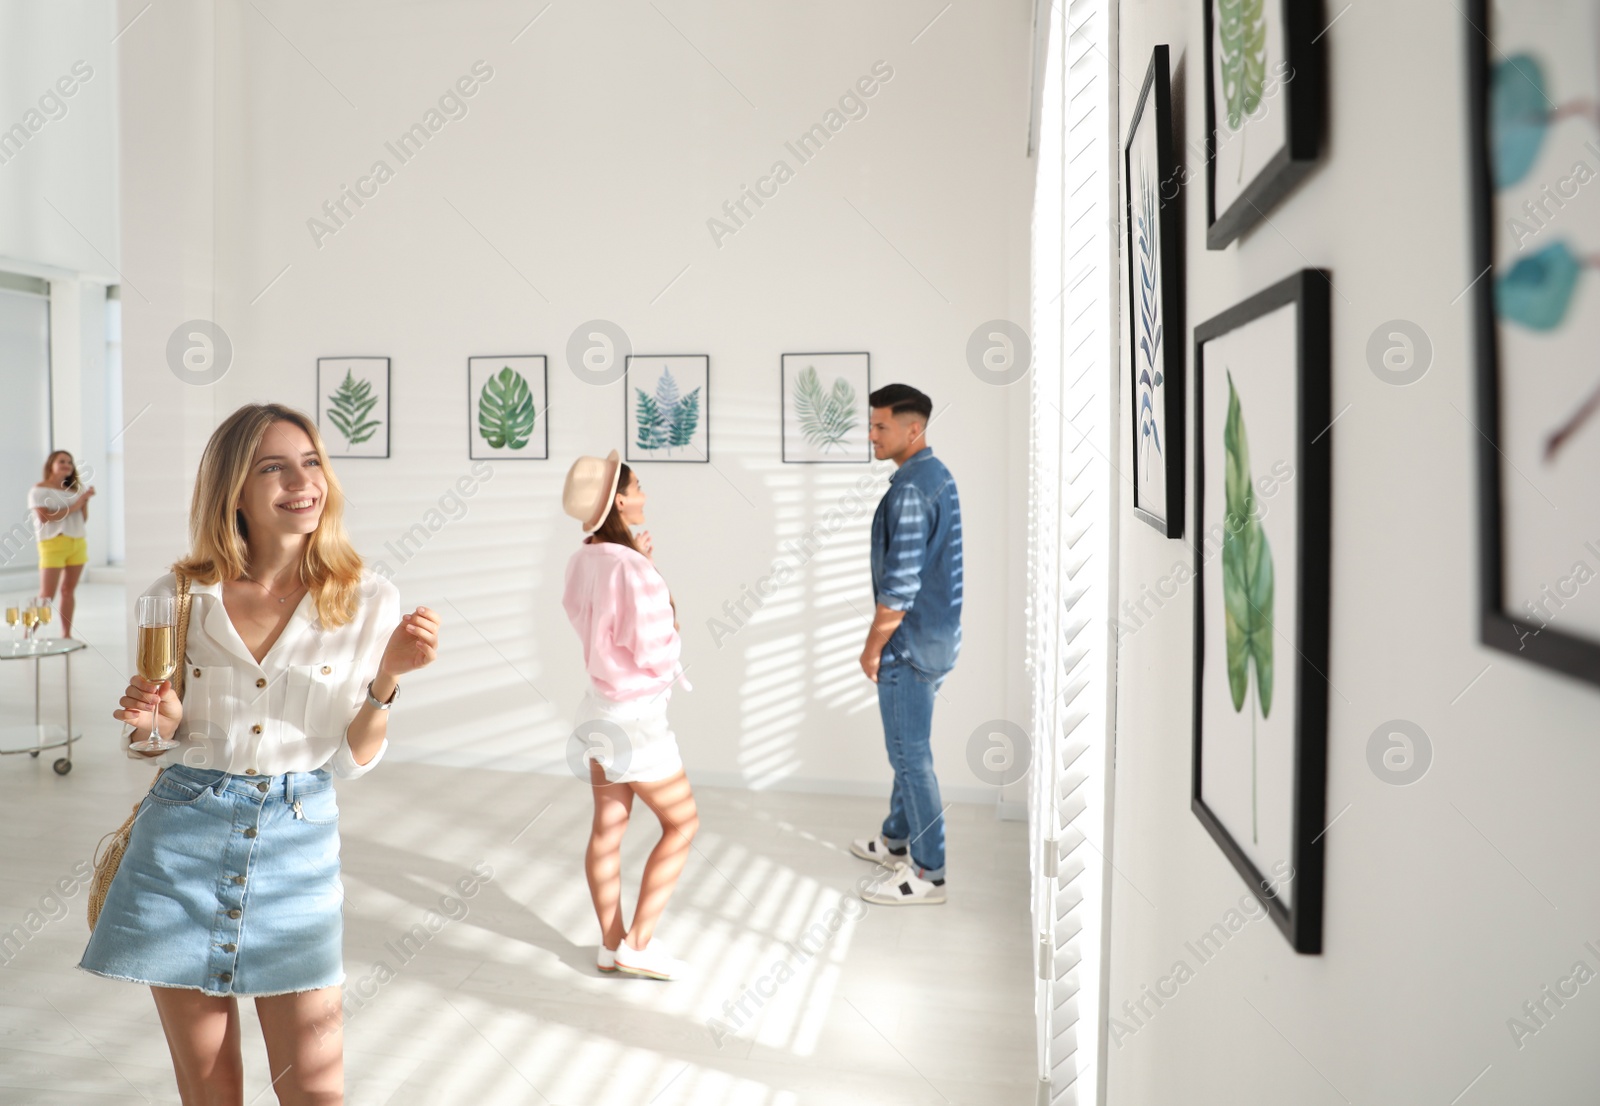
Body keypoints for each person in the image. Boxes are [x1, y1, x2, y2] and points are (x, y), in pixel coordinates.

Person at [79, 403, 440, 1104]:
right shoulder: (178, 597)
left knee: (314, 1089)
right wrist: (158, 713)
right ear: (234, 489)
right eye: (273, 467)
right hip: (181, 837)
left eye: (310, 463)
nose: (301, 482)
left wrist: (387, 679)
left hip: (295, 849)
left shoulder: (367, 601)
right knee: (211, 1088)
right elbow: (163, 734)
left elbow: (351, 761)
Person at [561, 451, 698, 981]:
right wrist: (650, 572)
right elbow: (657, 646)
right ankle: (639, 944)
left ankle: (610, 942)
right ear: (620, 499)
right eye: (638, 486)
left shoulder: (584, 558)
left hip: (598, 712)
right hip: (637, 721)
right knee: (683, 824)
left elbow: (596, 620)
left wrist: (639, 561)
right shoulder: (632, 566)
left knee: (607, 830)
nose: (644, 494)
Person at [851, 384, 964, 906]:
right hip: (938, 637)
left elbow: (899, 587)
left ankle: (929, 873)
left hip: (909, 643)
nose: (871, 435)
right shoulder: (934, 476)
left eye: (881, 427)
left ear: (912, 429)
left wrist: (873, 648)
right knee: (909, 744)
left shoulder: (913, 490)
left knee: (909, 754)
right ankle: (897, 839)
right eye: (871, 425)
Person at [30, 450, 94, 639]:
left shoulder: (75, 490)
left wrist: (85, 501)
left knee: (68, 591)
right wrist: (75, 505)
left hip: (77, 543)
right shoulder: (39, 490)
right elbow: (44, 517)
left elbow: (82, 519)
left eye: (69, 462)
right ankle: (29, 634)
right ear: (51, 464)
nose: (67, 464)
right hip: (52, 544)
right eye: (62, 461)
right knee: (46, 594)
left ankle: (66, 634)